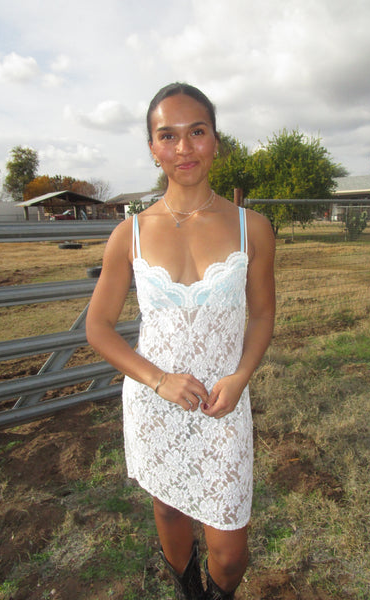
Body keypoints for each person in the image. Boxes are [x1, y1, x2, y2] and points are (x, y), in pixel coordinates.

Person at [86, 82, 276, 600]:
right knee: (167, 506)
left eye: (196, 132)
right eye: (167, 136)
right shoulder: (131, 232)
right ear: (152, 148)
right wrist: (159, 380)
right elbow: (97, 326)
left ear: (216, 140)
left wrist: (240, 377)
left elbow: (261, 316)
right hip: (155, 402)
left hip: (223, 402)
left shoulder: (252, 228)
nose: (184, 148)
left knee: (230, 551)